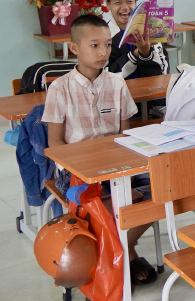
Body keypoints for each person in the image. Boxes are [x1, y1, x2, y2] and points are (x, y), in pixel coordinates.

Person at [41, 15, 157, 284]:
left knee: (166, 189)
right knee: (105, 205)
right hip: (77, 171)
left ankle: (118, 251)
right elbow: (55, 143)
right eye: (94, 45)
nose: (103, 52)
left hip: (117, 166)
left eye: (107, 45)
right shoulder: (60, 88)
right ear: (74, 49)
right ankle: (123, 254)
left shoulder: (116, 84)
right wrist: (84, 167)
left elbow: (123, 135)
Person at [105, 0, 169, 80]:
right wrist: (135, 54)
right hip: (118, 93)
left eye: (129, 1)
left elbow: (162, 72)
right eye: (118, 3)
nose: (125, 7)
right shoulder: (103, 35)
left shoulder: (150, 31)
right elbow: (105, 75)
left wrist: (146, 54)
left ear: (136, 3)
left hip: (149, 92)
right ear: (108, 4)